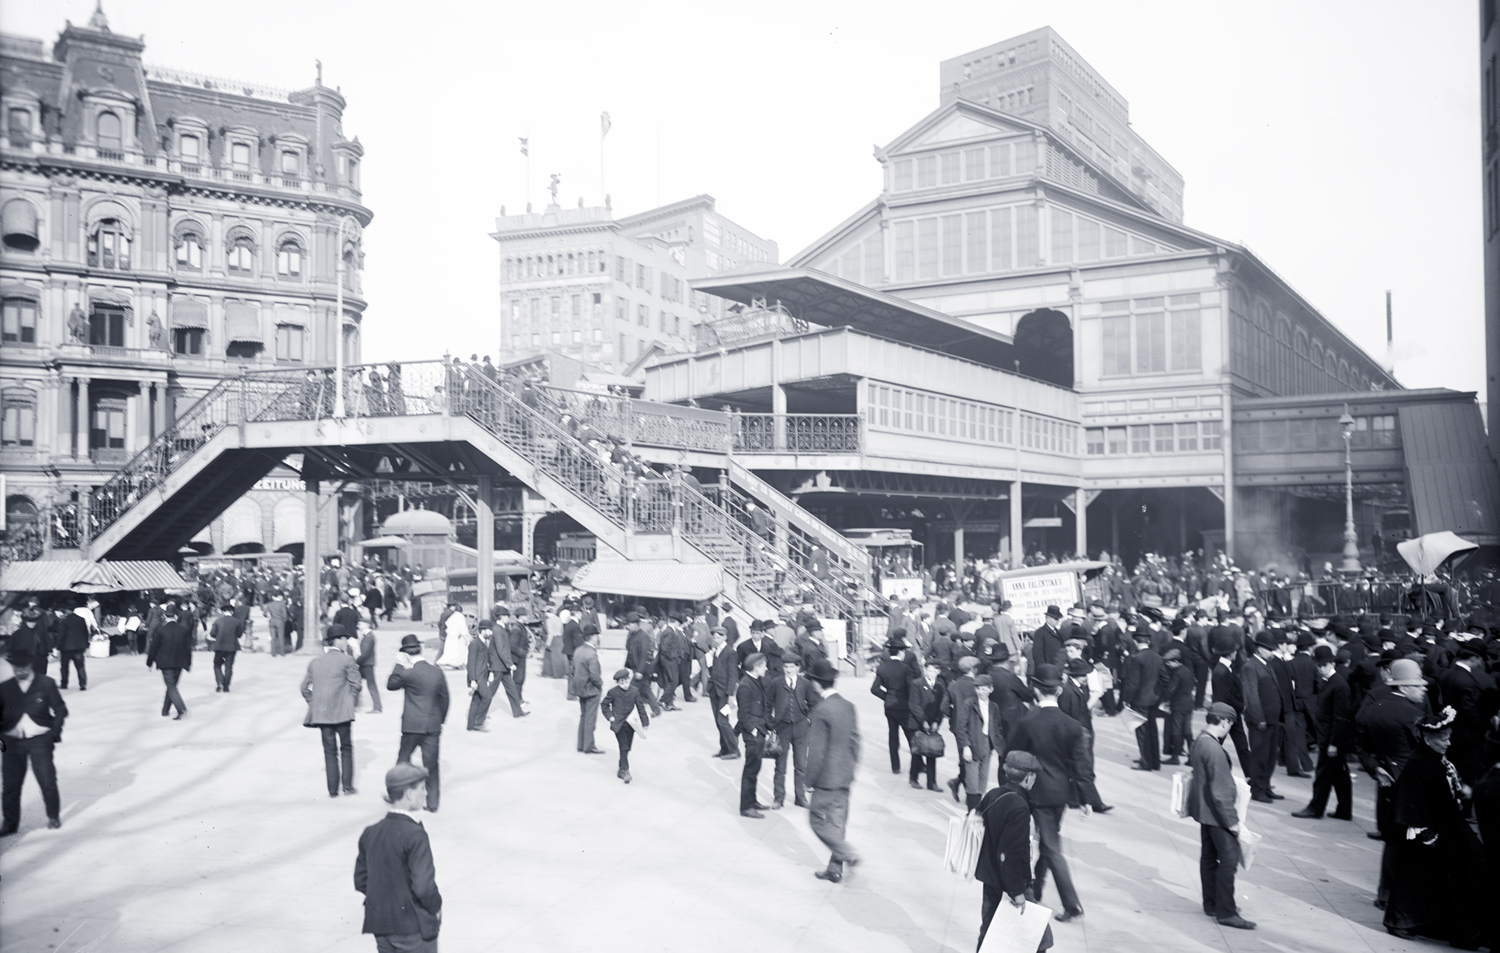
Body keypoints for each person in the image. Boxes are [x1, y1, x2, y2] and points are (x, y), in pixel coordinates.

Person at [1384, 707, 1485, 947]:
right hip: (1426, 832)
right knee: (1414, 877)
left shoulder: (1433, 759)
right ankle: (1400, 922)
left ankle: (1427, 922)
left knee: (1435, 879)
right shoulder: (1418, 765)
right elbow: (1411, 802)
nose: (1448, 743)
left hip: (1443, 827)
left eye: (1449, 738)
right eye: (1443, 739)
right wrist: (1424, 833)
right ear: (1428, 738)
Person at [1008, 664, 1090, 924]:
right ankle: (1037, 888)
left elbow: (1012, 757)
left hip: (1034, 791)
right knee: (1048, 842)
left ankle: (1072, 903)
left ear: (1035, 689)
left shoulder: (1028, 722)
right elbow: (1081, 765)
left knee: (1051, 848)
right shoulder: (1073, 725)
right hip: (1060, 792)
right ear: (1059, 689)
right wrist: (1086, 798)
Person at [355, 763, 442, 952]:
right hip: (414, 930)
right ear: (410, 794)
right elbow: (423, 887)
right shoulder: (415, 835)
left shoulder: (370, 832)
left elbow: (361, 881)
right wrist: (436, 908)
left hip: (381, 927)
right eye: (422, 788)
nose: (426, 793)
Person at [975, 750, 1054, 952]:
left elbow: (977, 820)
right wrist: (1017, 892)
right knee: (1038, 940)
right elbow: (1008, 855)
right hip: (1012, 882)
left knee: (989, 932)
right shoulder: (1018, 807)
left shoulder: (993, 794)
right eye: (1034, 775)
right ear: (1028, 778)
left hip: (990, 878)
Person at [1188, 702, 1256, 930]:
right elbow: (1220, 793)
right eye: (1230, 724)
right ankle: (1226, 912)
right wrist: (1234, 824)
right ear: (1225, 722)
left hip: (1204, 812)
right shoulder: (1214, 749)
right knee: (1228, 861)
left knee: (1208, 858)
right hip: (1218, 816)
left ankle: (1211, 903)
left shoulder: (1200, 740)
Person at [805, 658, 860, 883]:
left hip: (826, 779)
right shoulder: (848, 706)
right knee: (837, 823)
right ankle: (835, 869)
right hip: (845, 776)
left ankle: (846, 853)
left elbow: (816, 751)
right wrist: (850, 766)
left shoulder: (821, 710)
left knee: (817, 821)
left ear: (817, 684)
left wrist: (809, 779)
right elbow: (855, 742)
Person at [0, 650, 67, 834]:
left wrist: (54, 733)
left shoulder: (45, 684)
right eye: (16, 668)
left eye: (23, 667)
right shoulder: (5, 687)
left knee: (47, 780)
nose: (19, 671)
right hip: (12, 742)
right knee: (10, 785)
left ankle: (53, 816)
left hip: (40, 739)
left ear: (30, 666)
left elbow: (60, 710)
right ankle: (10, 823)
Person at [387, 635, 449, 813]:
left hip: (411, 726)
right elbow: (445, 699)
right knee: (432, 765)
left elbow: (391, 684)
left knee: (403, 761)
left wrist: (399, 663)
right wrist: (439, 720)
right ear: (420, 650)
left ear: (406, 654)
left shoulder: (408, 672)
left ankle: (397, 797)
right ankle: (433, 803)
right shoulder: (437, 672)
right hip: (432, 726)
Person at [1292, 645, 1353, 820]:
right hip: (1329, 736)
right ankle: (1344, 810)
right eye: (1318, 666)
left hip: (1331, 739)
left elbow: (1341, 717)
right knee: (1340, 776)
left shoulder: (1339, 685)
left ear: (1331, 664)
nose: (1320, 669)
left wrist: (1334, 743)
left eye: (1323, 666)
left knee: (1323, 775)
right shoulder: (1330, 682)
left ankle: (1315, 809)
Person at [303, 628, 363, 797]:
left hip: (322, 714)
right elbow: (356, 685)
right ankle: (348, 787)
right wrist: (349, 701)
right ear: (337, 641)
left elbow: (304, 688)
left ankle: (332, 790)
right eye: (345, 639)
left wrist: (314, 703)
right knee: (346, 748)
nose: (347, 642)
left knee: (329, 752)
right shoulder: (347, 660)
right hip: (342, 713)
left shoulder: (315, 662)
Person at [769, 654, 819, 809]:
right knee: (780, 766)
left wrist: (809, 719)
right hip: (782, 728)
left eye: (792, 667)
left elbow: (814, 704)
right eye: (786, 667)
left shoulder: (805, 684)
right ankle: (779, 798)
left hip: (801, 729)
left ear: (798, 667)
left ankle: (800, 797)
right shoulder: (776, 683)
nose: (789, 670)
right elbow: (767, 705)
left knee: (800, 766)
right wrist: (770, 724)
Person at [1240, 631, 1283, 802]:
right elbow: (1251, 696)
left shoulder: (1267, 665)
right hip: (1260, 721)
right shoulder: (1250, 667)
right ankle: (1257, 790)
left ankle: (1265, 786)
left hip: (1272, 719)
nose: (1272, 652)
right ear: (1259, 649)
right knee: (1260, 756)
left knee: (1271, 756)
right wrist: (1259, 719)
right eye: (1269, 649)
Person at [736, 652, 773, 817]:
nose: (766, 668)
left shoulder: (755, 680)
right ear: (756, 667)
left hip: (760, 730)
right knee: (750, 770)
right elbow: (743, 715)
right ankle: (746, 807)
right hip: (753, 734)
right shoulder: (745, 685)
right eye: (764, 665)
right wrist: (754, 731)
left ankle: (752, 801)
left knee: (755, 768)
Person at [871, 639, 914, 775]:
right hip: (904, 706)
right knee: (911, 735)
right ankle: (918, 764)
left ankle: (895, 767)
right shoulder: (906, 669)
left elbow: (874, 689)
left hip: (889, 706)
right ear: (901, 652)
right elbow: (910, 688)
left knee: (893, 736)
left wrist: (888, 696)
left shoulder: (882, 669)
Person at [1122, 629, 1164, 771]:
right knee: (1152, 731)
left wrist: (1126, 699)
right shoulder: (1158, 658)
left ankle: (1146, 763)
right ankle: (1155, 761)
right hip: (1153, 699)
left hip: (1139, 700)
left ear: (1135, 641)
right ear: (1149, 641)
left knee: (1142, 733)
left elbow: (1133, 682)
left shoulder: (1137, 658)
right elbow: (1165, 680)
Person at [601, 668, 651, 783]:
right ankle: (626, 771)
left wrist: (645, 722)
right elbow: (604, 705)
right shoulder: (612, 692)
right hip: (618, 725)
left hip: (631, 725)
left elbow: (640, 707)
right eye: (621, 683)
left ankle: (620, 769)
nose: (624, 685)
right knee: (623, 747)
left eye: (626, 682)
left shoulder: (635, 691)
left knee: (627, 748)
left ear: (629, 679)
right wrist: (610, 716)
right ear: (618, 683)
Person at [145, 603, 193, 719]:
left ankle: (181, 709)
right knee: (172, 686)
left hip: (165, 663)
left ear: (165, 616)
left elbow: (154, 649)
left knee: (171, 687)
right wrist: (188, 663)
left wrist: (149, 663)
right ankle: (165, 710)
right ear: (176, 616)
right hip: (180, 662)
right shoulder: (184, 630)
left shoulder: (161, 631)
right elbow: (188, 648)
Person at [908, 658, 948, 792]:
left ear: (938, 672)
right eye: (928, 670)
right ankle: (913, 778)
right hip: (918, 722)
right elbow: (914, 705)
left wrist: (937, 721)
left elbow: (941, 706)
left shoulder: (940, 686)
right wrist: (923, 721)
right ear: (924, 670)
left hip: (932, 724)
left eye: (933, 671)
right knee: (917, 751)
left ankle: (932, 782)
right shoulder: (917, 684)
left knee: (932, 751)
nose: (930, 673)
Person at [706, 627, 740, 759]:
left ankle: (734, 750)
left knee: (723, 721)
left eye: (719, 637)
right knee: (718, 721)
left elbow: (733, 675)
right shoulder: (715, 652)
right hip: (714, 690)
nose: (716, 639)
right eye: (714, 637)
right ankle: (724, 748)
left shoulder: (730, 652)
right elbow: (712, 670)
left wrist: (731, 696)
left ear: (725, 637)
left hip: (725, 693)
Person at [571, 625, 605, 754]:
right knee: (590, 718)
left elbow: (573, 670)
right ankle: (589, 745)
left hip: (580, 689)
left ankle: (581, 744)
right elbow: (595, 675)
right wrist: (600, 684)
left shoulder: (578, 650)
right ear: (594, 637)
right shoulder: (592, 654)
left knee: (583, 716)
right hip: (591, 690)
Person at [1161, 647, 1196, 765]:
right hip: (1189, 704)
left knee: (1176, 731)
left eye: (1169, 662)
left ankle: (1175, 757)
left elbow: (1171, 690)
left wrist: (1165, 698)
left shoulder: (1177, 673)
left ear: (1176, 661)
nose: (1168, 664)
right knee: (1187, 731)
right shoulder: (1187, 670)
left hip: (1178, 705)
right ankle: (1192, 757)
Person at [56, 599, 94, 690]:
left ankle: (64, 684)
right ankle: (83, 684)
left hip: (66, 648)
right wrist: (85, 645)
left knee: (64, 667)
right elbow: (85, 633)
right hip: (79, 648)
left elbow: (61, 635)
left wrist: (58, 647)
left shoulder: (64, 621)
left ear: (67, 610)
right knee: (80, 666)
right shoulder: (81, 620)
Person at [9, 598, 52, 679]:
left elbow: (46, 643)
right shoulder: (18, 634)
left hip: (40, 657)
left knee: (40, 675)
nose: (32, 623)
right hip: (26, 658)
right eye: (30, 621)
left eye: (34, 621)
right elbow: (12, 648)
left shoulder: (41, 632)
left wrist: (47, 652)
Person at [207, 603, 242, 693]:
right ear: (232, 611)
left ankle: (219, 682)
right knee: (229, 667)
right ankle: (226, 686)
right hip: (232, 646)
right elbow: (239, 634)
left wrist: (218, 636)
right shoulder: (237, 622)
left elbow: (212, 634)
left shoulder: (218, 621)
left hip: (219, 646)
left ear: (222, 611)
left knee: (217, 665)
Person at [355, 619, 383, 714]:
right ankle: (355, 705)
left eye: (360, 624)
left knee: (369, 685)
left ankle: (377, 707)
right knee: (357, 684)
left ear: (366, 625)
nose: (359, 625)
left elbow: (365, 654)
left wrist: (356, 662)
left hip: (366, 665)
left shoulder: (369, 637)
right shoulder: (368, 636)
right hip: (366, 664)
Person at [266, 590, 290, 657]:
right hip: (280, 621)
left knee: (273, 637)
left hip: (272, 621)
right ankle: (282, 652)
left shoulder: (269, 604)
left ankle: (273, 652)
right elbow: (285, 615)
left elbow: (265, 613)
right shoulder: (282, 604)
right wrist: (284, 620)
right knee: (281, 637)